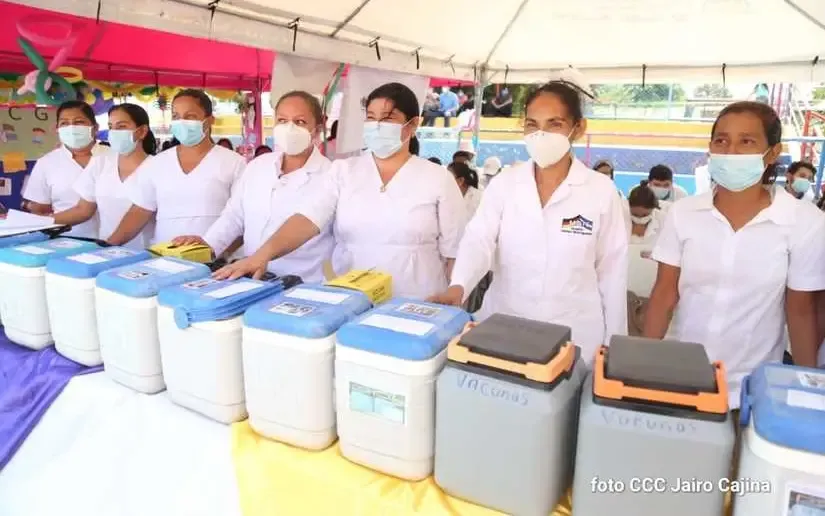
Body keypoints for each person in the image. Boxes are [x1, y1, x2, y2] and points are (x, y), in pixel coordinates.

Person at [429, 80, 629, 364]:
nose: (541, 134)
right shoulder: (505, 184)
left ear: (578, 128)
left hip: (575, 336)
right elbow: (479, 240)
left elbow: (613, 271)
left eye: (554, 124)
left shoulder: (601, 191)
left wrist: (614, 344)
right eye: (532, 125)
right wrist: (459, 285)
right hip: (504, 326)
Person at [643, 101, 825, 408]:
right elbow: (664, 294)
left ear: (772, 153)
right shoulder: (684, 213)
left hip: (754, 391)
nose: (731, 151)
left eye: (747, 141)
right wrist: (641, 366)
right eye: (721, 140)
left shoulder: (803, 221)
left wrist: (807, 393)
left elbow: (802, 312)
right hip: (684, 379)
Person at [214, 82, 466, 299]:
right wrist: (262, 255)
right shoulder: (344, 171)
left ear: (413, 124)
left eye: (388, 118)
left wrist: (454, 294)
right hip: (351, 298)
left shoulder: (438, 179)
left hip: (417, 299)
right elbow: (307, 219)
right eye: (371, 117)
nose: (377, 125)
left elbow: (454, 252)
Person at [173, 91, 334, 282]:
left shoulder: (330, 175)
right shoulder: (258, 166)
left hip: (303, 282)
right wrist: (208, 244)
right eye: (282, 120)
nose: (289, 129)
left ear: (317, 128)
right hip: (250, 278)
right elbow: (234, 215)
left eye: (300, 122)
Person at [106, 89, 246, 245]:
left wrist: (215, 250)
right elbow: (140, 210)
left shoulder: (234, 162)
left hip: (216, 256)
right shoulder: (157, 163)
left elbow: (241, 217)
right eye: (176, 116)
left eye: (190, 116)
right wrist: (108, 244)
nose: (182, 122)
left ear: (209, 120)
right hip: (164, 254)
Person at [52, 104, 157, 249]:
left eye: (121, 126)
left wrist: (110, 243)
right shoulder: (101, 162)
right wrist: (39, 222)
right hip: (108, 251)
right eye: (111, 127)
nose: (114, 132)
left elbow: (140, 212)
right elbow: (83, 210)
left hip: (146, 252)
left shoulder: (157, 166)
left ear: (142, 131)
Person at [21, 100, 100, 238]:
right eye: (64, 123)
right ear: (56, 128)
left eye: (79, 122)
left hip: (121, 241)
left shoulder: (113, 156)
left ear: (95, 127)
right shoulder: (47, 162)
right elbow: (40, 209)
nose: (72, 128)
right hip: (66, 240)